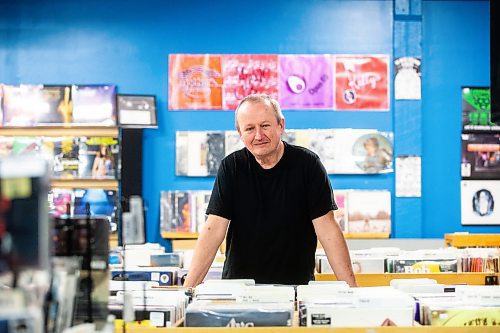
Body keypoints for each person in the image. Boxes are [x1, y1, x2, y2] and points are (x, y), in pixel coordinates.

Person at [184, 94, 357, 287]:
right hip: (240, 289)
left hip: (295, 289)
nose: (258, 135)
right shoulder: (231, 167)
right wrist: (186, 292)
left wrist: (352, 291)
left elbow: (328, 230)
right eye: (249, 128)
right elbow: (213, 229)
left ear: (280, 125)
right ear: (240, 132)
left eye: (265, 125)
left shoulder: (308, 165)